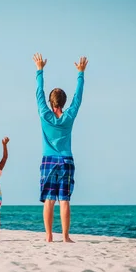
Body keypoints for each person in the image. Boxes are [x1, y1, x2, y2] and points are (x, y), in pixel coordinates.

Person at [33, 52, 88, 242]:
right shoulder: (69, 116)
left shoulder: (44, 114)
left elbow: (39, 93)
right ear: (63, 103)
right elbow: (78, 98)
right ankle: (65, 237)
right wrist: (80, 73)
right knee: (64, 199)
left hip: (49, 160)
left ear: (51, 102)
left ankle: (49, 236)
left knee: (49, 200)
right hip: (66, 159)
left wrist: (40, 70)